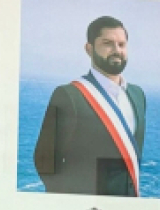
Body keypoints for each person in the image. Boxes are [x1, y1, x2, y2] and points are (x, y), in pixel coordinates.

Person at [32, 15, 147, 197]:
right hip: (87, 208)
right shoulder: (69, 95)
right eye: (107, 44)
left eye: (121, 44)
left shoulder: (137, 95)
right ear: (89, 49)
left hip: (127, 206)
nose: (116, 50)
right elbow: (44, 160)